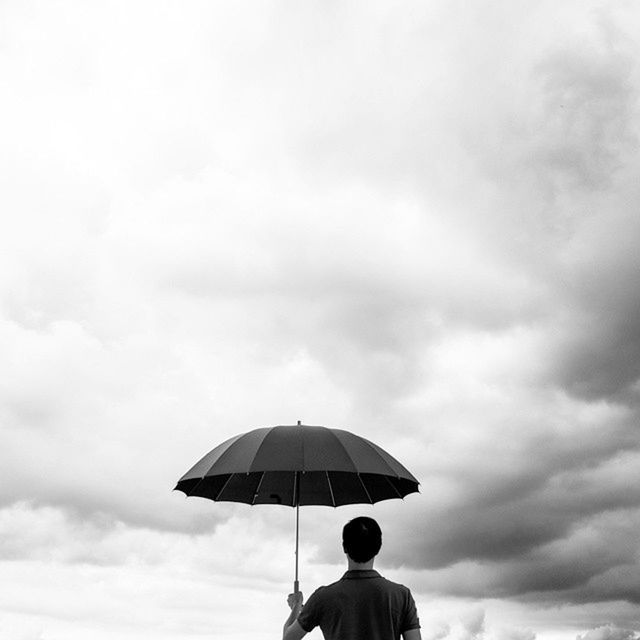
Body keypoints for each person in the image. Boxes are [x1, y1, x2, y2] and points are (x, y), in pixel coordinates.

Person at [282, 516, 421, 640]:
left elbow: (288, 638)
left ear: (344, 547)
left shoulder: (322, 597)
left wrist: (296, 606)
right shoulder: (402, 595)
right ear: (378, 547)